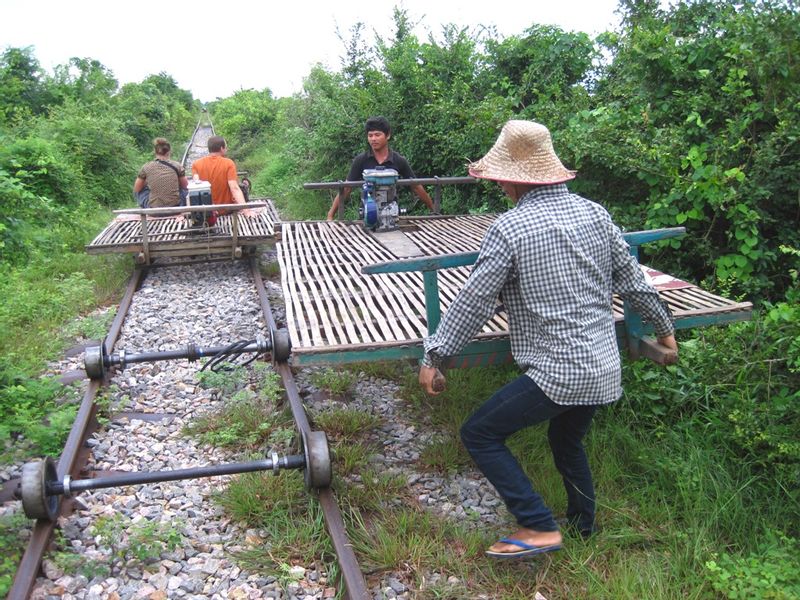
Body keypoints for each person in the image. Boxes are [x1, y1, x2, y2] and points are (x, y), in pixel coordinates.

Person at [418, 120, 677, 559]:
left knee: (479, 433)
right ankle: (584, 526)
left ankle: (538, 526)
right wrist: (665, 330)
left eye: (500, 174)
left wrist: (435, 355)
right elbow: (634, 282)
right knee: (566, 441)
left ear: (511, 177)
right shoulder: (595, 213)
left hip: (560, 371)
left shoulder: (510, 228)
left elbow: (475, 300)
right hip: (602, 365)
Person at [326, 116, 435, 220]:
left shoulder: (398, 160)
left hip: (391, 214)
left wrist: (434, 210)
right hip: (367, 215)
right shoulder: (361, 160)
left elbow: (416, 186)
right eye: (370, 135)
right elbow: (346, 188)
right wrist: (330, 215)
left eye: (377, 135)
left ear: (388, 135)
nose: (373, 139)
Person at [190, 135, 253, 217]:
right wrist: (246, 211)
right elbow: (234, 188)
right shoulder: (228, 163)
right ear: (221, 148)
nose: (226, 149)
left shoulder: (196, 164)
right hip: (226, 210)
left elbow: (196, 188)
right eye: (225, 147)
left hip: (207, 212)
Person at [133, 138, 189, 208]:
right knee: (183, 190)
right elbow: (185, 186)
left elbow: (137, 188)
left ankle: (145, 207)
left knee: (140, 191)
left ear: (155, 152)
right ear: (169, 151)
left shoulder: (146, 167)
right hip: (175, 207)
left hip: (154, 210)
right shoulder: (177, 166)